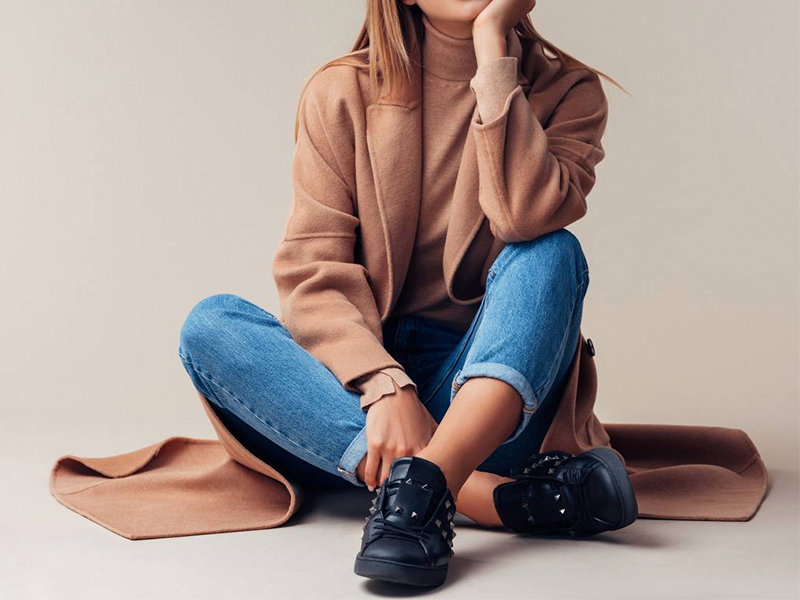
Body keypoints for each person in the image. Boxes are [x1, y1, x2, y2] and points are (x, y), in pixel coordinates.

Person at [178, 0, 637, 588]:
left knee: (552, 252)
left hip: (491, 405)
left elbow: (526, 216)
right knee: (211, 325)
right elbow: (313, 270)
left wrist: (493, 44)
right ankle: (490, 499)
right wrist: (383, 385)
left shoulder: (568, 91)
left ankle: (428, 484)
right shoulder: (340, 90)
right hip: (358, 408)